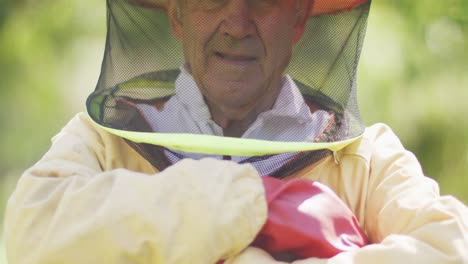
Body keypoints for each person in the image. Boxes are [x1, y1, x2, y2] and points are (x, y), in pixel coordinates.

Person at [4, 0, 468, 263]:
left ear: (299, 20)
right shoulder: (103, 138)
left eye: (263, 0)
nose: (237, 23)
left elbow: (449, 249)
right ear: (177, 15)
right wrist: (256, 206)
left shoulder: (366, 158)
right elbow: (31, 234)